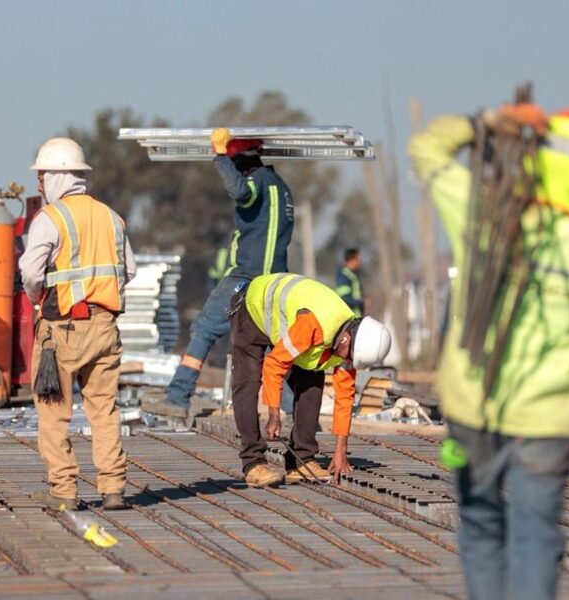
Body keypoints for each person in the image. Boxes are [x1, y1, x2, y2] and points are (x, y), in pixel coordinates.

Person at [408, 105, 569, 600]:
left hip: (476, 406)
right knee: (537, 533)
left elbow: (426, 149)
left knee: (481, 524)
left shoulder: (483, 211)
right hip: (548, 417)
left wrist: (484, 122)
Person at [20, 137, 137, 511]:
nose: (39, 184)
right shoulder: (111, 217)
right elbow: (128, 270)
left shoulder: (50, 219)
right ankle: (113, 488)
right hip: (105, 329)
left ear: (55, 176)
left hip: (62, 330)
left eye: (41, 177)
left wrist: (39, 297)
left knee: (54, 413)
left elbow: (30, 272)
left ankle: (64, 491)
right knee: (104, 410)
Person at [149, 128, 295, 418]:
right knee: (269, 346)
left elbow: (240, 190)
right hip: (275, 281)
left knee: (204, 329)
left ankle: (177, 397)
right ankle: (292, 412)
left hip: (246, 278)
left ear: (240, 161)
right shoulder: (282, 186)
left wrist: (219, 157)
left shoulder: (256, 183)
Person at [228, 273, 391, 487]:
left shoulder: (350, 343)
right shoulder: (313, 326)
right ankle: (253, 463)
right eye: (348, 355)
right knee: (247, 383)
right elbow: (274, 364)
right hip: (252, 308)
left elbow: (345, 398)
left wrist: (340, 451)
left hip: (286, 322)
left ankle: (301, 459)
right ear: (346, 338)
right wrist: (274, 413)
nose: (347, 361)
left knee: (312, 379)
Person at [335, 247, 365, 317]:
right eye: (358, 259)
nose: (360, 262)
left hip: (358, 316)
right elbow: (344, 298)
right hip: (351, 319)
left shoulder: (353, 275)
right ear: (351, 260)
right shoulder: (344, 276)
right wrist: (361, 302)